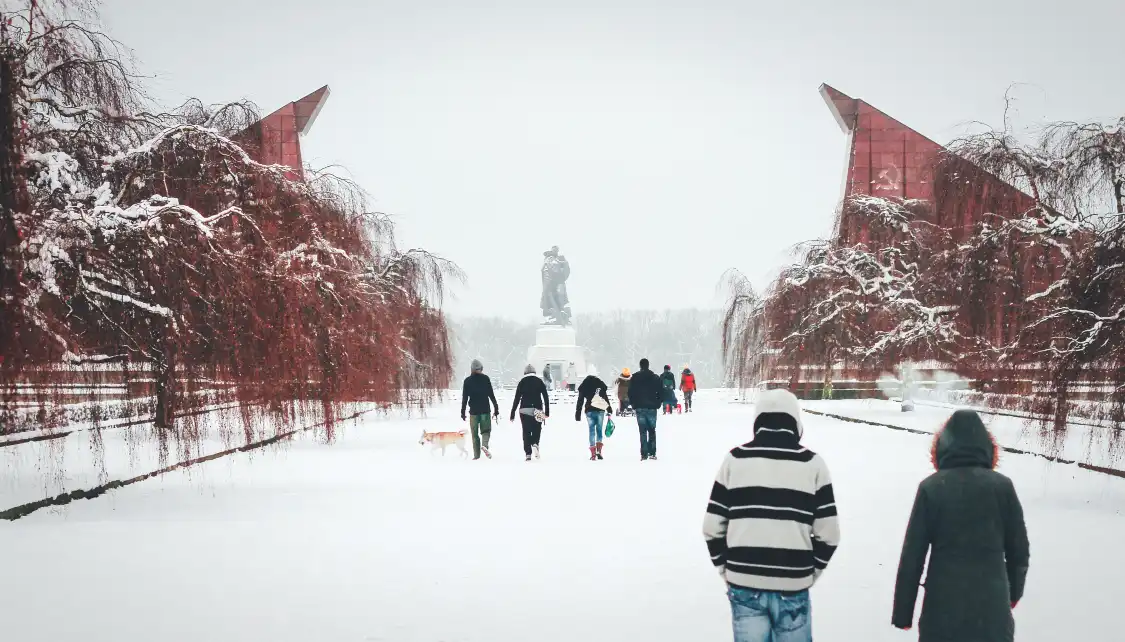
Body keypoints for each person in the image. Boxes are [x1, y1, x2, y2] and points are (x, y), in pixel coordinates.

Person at [702, 388, 840, 642]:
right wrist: (808, 573)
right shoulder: (812, 464)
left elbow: (712, 527)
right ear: (795, 422)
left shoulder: (735, 460)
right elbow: (829, 534)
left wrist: (729, 571)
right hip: (793, 583)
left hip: (744, 584)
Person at [892, 409, 1030, 642]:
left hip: (942, 609)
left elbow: (912, 557)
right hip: (992, 608)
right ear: (987, 447)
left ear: (942, 447)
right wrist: (1012, 593)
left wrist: (903, 614)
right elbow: (1019, 552)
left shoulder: (931, 488)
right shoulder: (1002, 487)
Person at [460, 359, 500, 460]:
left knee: (474, 434)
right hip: (485, 410)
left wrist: (462, 411)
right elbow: (491, 394)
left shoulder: (467, 381)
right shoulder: (485, 379)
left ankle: (476, 456)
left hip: (473, 412)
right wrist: (496, 407)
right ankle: (485, 446)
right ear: (481, 369)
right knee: (486, 431)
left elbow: (465, 398)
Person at [510, 364, 550, 461]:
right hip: (538, 409)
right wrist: (547, 411)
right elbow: (545, 396)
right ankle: (535, 443)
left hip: (524, 409)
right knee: (537, 428)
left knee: (526, 431)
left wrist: (513, 412)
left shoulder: (522, 382)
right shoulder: (539, 381)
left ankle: (528, 453)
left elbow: (517, 398)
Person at [575, 365, 613, 460]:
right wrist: (609, 408)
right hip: (600, 409)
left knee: (591, 430)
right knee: (599, 429)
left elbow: (580, 400)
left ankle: (592, 453)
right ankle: (599, 451)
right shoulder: (599, 383)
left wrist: (578, 413)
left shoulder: (585, 384)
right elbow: (605, 397)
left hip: (589, 410)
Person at [629, 358, 663, 460]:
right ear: (648, 365)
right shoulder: (655, 378)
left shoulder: (635, 378)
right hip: (652, 407)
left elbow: (630, 393)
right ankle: (652, 452)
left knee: (642, 431)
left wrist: (633, 404)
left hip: (640, 407)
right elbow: (661, 392)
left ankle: (644, 454)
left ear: (640, 366)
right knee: (652, 430)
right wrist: (658, 403)